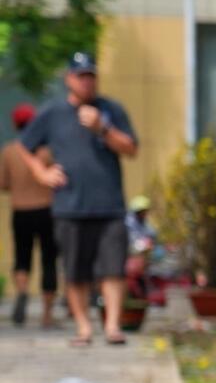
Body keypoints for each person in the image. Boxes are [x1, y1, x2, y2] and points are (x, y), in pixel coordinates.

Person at [18, 54, 138, 346]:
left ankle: (111, 326)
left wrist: (103, 128)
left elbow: (131, 148)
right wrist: (41, 173)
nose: (87, 81)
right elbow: (24, 146)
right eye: (81, 75)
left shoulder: (111, 110)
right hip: (70, 206)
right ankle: (83, 327)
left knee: (113, 269)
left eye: (91, 75)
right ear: (69, 79)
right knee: (75, 271)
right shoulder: (52, 113)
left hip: (109, 205)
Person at [1, 102, 59, 327]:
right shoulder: (47, 150)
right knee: (48, 260)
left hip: (21, 211)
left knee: (22, 257)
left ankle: (23, 291)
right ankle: (47, 314)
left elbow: (3, 183)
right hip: (47, 210)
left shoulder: (9, 150)